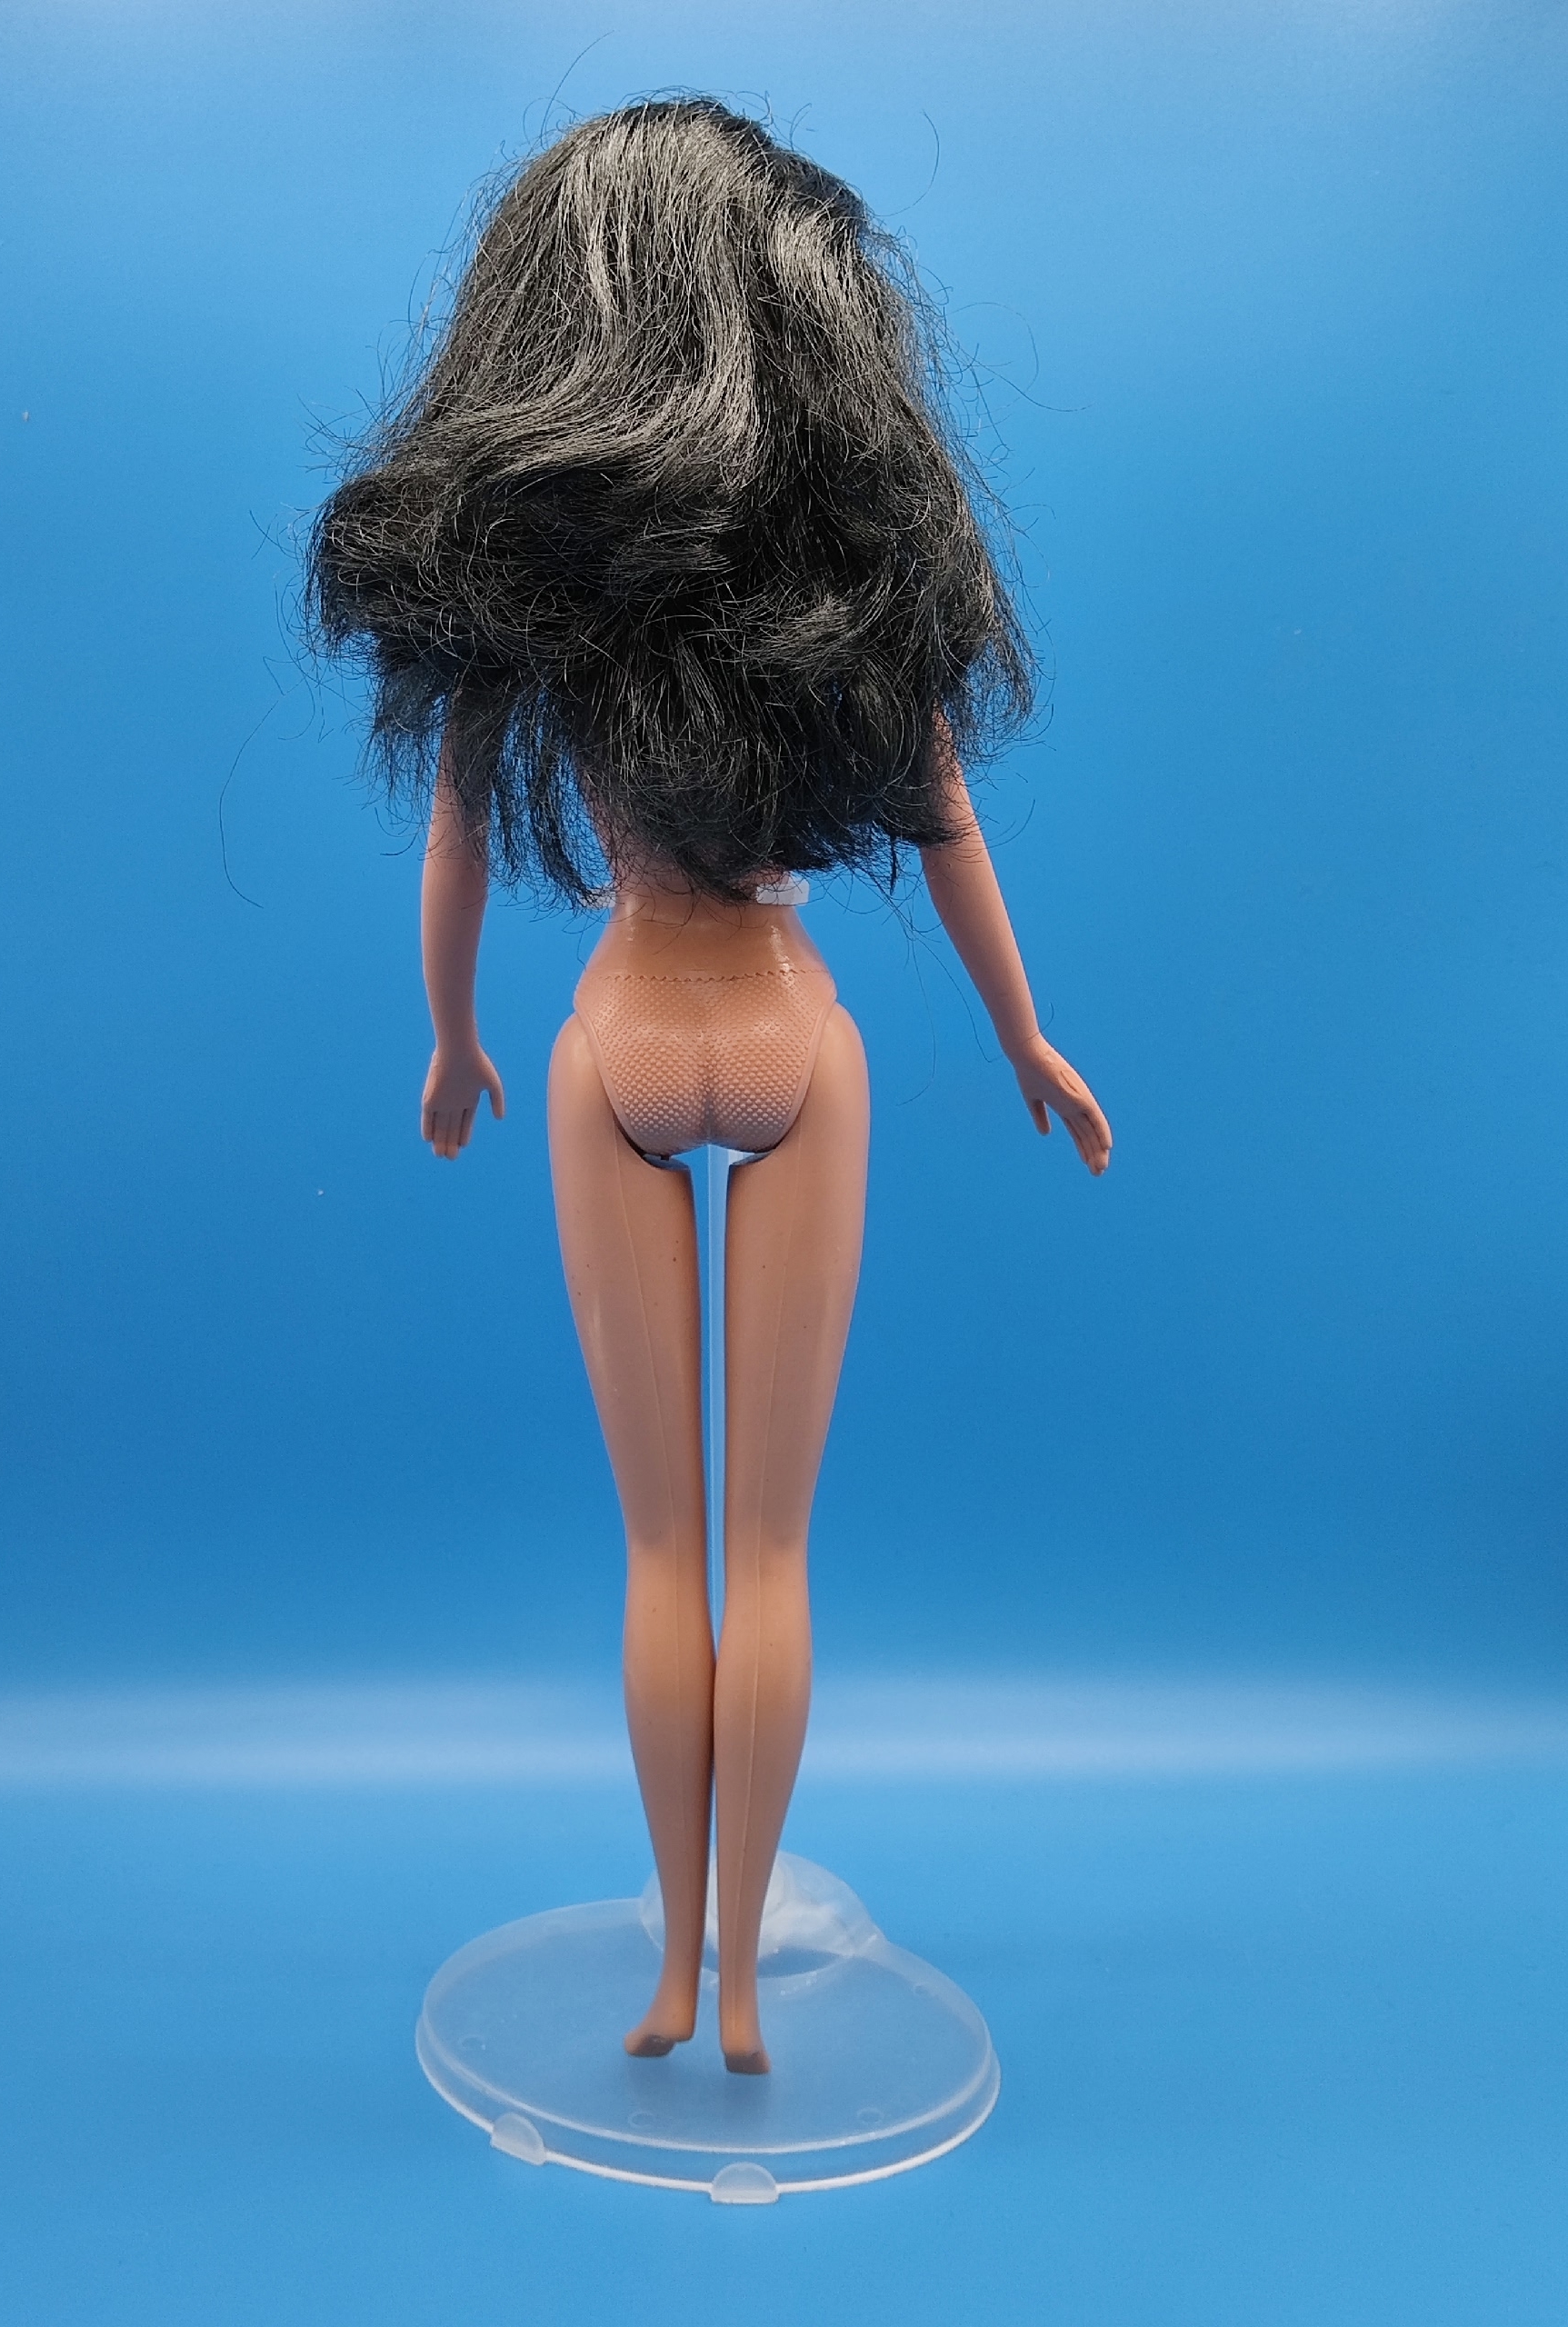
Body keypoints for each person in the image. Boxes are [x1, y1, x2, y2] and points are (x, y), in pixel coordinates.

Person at [308, 97, 1111, 2076]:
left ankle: (677, 1969)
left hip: (615, 1041)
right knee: (767, 1555)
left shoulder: (540, 582)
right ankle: (739, 1980)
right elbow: (944, 823)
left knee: (664, 1554)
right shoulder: (850, 580)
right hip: (785, 1032)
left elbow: (458, 849)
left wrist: (450, 1038)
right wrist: (1021, 1036)